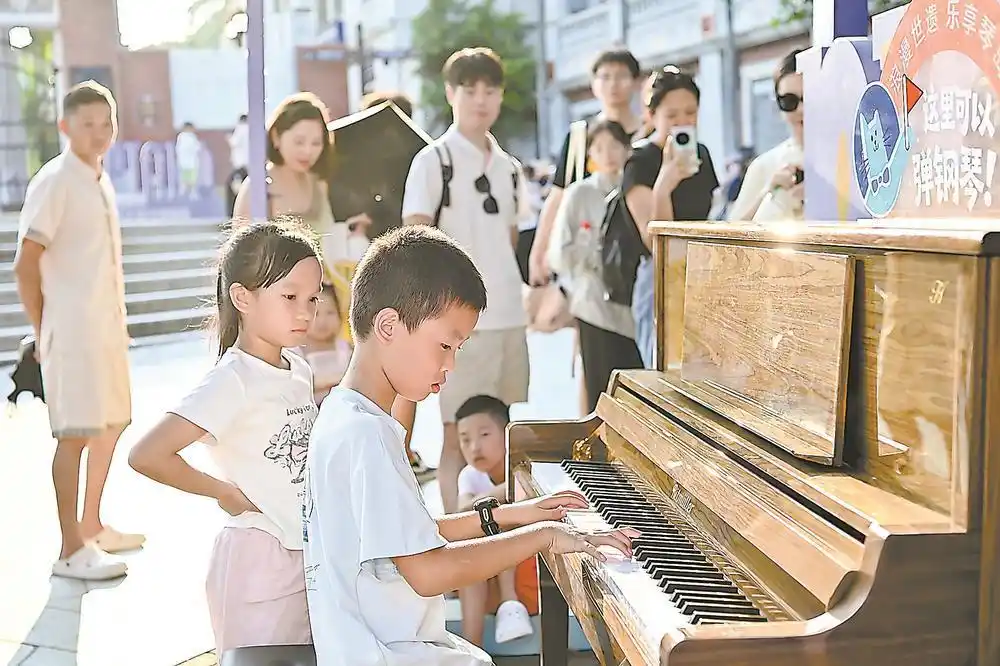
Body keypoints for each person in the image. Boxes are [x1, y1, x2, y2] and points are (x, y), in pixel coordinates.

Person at [302, 224, 638, 666]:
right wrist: (542, 537)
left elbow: (407, 535)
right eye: (445, 345)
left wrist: (513, 515)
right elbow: (428, 571)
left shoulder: (343, 415)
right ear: (388, 326)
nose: (451, 365)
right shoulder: (367, 435)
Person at [128, 220, 323, 653]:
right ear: (242, 298)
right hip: (258, 559)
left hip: (307, 556)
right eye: (289, 297)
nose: (305, 312)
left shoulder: (298, 369)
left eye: (313, 298)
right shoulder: (233, 378)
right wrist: (224, 492)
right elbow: (147, 454)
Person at [13, 81, 145, 581]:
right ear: (65, 126)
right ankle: (70, 548)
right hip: (70, 331)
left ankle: (92, 525)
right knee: (74, 435)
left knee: (111, 424)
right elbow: (26, 262)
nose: (99, 132)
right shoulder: (55, 181)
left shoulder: (98, 179)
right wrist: (44, 330)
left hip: (106, 328)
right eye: (87, 124)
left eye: (106, 123)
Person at [398, 47, 531, 513]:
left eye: (490, 90)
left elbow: (511, 237)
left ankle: (506, 534)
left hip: (508, 314)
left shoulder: (510, 168)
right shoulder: (434, 161)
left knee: (505, 433)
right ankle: (456, 535)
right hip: (459, 326)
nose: (481, 99)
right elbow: (415, 238)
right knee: (459, 433)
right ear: (450, 93)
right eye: (470, 89)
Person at [623, 66, 719, 368]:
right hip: (659, 277)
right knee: (664, 368)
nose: (683, 122)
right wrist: (663, 188)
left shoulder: (701, 154)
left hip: (701, 270)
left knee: (702, 370)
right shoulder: (640, 161)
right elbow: (654, 242)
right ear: (652, 116)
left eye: (690, 112)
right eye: (672, 115)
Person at [548, 120, 643, 411]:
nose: (608, 154)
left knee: (634, 388)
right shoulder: (580, 193)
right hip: (593, 303)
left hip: (633, 303)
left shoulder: (636, 190)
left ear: (627, 149)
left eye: (614, 146)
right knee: (599, 388)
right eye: (599, 148)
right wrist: (592, 251)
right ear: (590, 154)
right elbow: (558, 253)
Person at [528, 49, 644, 287]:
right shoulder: (580, 138)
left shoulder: (648, 136)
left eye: (621, 76)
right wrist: (538, 252)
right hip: (589, 261)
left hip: (639, 252)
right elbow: (558, 195)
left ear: (635, 82)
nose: (613, 84)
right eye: (605, 76)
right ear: (594, 85)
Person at [455, 395, 534, 647]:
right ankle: (472, 647)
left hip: (525, 561)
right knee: (470, 544)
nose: (474, 447)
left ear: (508, 434)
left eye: (484, 435)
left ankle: (509, 603)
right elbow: (462, 512)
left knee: (497, 518)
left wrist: (490, 500)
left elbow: (524, 496)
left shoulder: (525, 464)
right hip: (486, 569)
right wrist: (504, 491)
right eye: (465, 439)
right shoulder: (469, 475)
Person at [727, 48, 806, 222]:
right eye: (789, 101)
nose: (801, 109)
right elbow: (732, 232)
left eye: (809, 97)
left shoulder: (851, 159)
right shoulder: (763, 166)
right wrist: (769, 192)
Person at [300, 282, 352, 405]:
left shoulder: (348, 349)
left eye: (330, 313)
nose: (323, 321)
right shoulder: (295, 354)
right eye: (316, 314)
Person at [226, 114, 249, 217]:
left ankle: (234, 212)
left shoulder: (240, 128)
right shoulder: (252, 130)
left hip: (240, 165)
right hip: (249, 165)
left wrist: (228, 138)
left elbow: (234, 142)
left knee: (236, 189)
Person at [175, 121, 202, 200]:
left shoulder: (191, 137)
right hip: (185, 161)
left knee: (191, 178)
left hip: (190, 161)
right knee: (185, 177)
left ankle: (191, 192)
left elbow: (197, 148)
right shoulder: (182, 137)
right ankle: (186, 191)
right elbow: (179, 148)